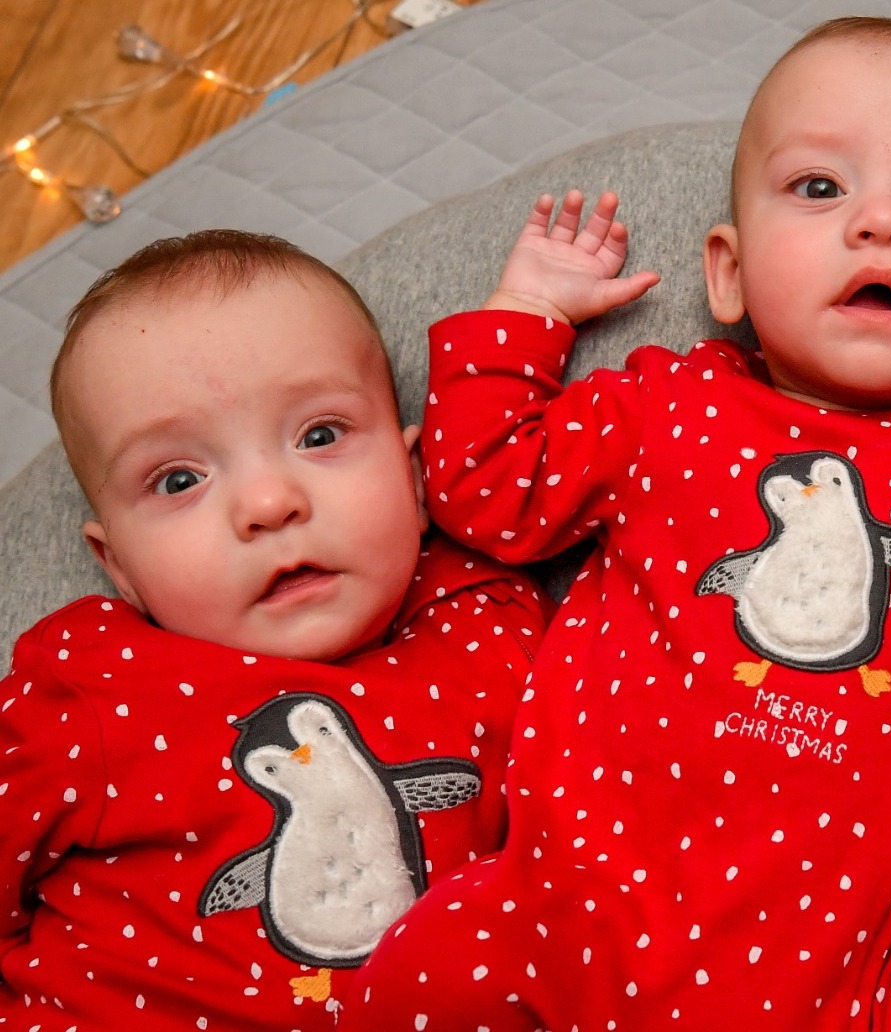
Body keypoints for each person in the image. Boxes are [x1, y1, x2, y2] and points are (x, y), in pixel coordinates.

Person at [340, 16, 891, 1031]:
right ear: (726, 273)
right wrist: (528, 309)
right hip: (574, 910)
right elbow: (486, 486)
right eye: (821, 187)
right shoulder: (669, 407)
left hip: (867, 963)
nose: (883, 223)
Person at [0, 229, 553, 1031]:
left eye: (320, 435)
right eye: (179, 480)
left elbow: (510, 465)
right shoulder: (93, 682)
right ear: (117, 565)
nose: (268, 504)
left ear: (414, 476)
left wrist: (531, 307)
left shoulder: (482, 622)